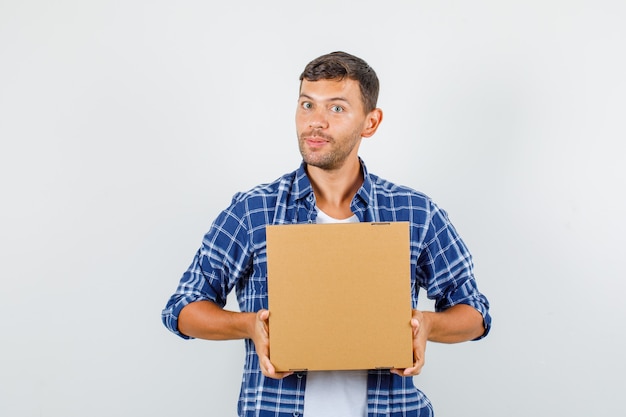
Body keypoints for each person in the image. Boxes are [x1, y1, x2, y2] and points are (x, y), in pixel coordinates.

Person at [162, 51, 491, 417]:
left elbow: (474, 313)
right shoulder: (254, 211)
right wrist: (250, 325)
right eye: (307, 105)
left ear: (371, 122)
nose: (315, 122)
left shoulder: (415, 212)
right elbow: (182, 307)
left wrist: (427, 325)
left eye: (336, 109)